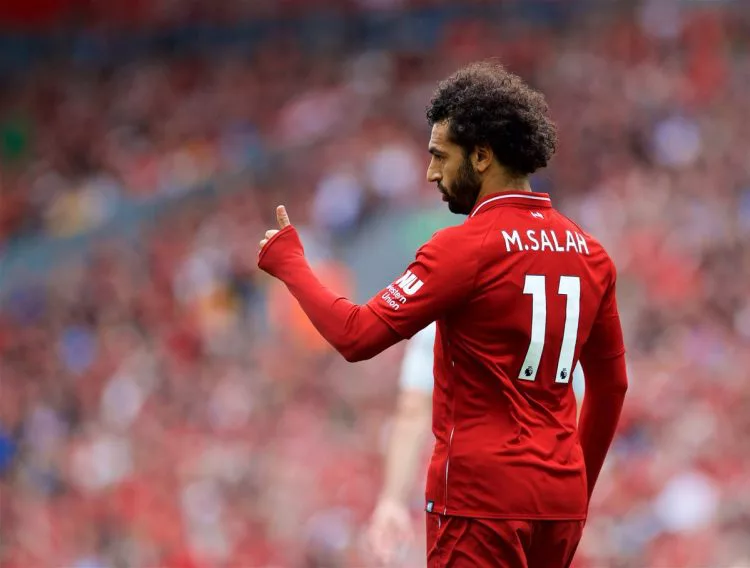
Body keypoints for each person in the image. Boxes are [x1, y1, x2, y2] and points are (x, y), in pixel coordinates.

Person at [257, 61, 628, 567]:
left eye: (439, 156)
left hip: (480, 502)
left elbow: (356, 336)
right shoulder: (591, 254)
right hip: (559, 503)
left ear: (481, 155)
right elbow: (611, 387)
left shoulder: (464, 248)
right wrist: (576, 488)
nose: (431, 173)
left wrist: (291, 264)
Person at [365, 323, 587, 567]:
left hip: (477, 493)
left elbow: (413, 411)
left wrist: (393, 499)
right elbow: (577, 409)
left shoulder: (441, 319)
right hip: (549, 491)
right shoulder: (561, 310)